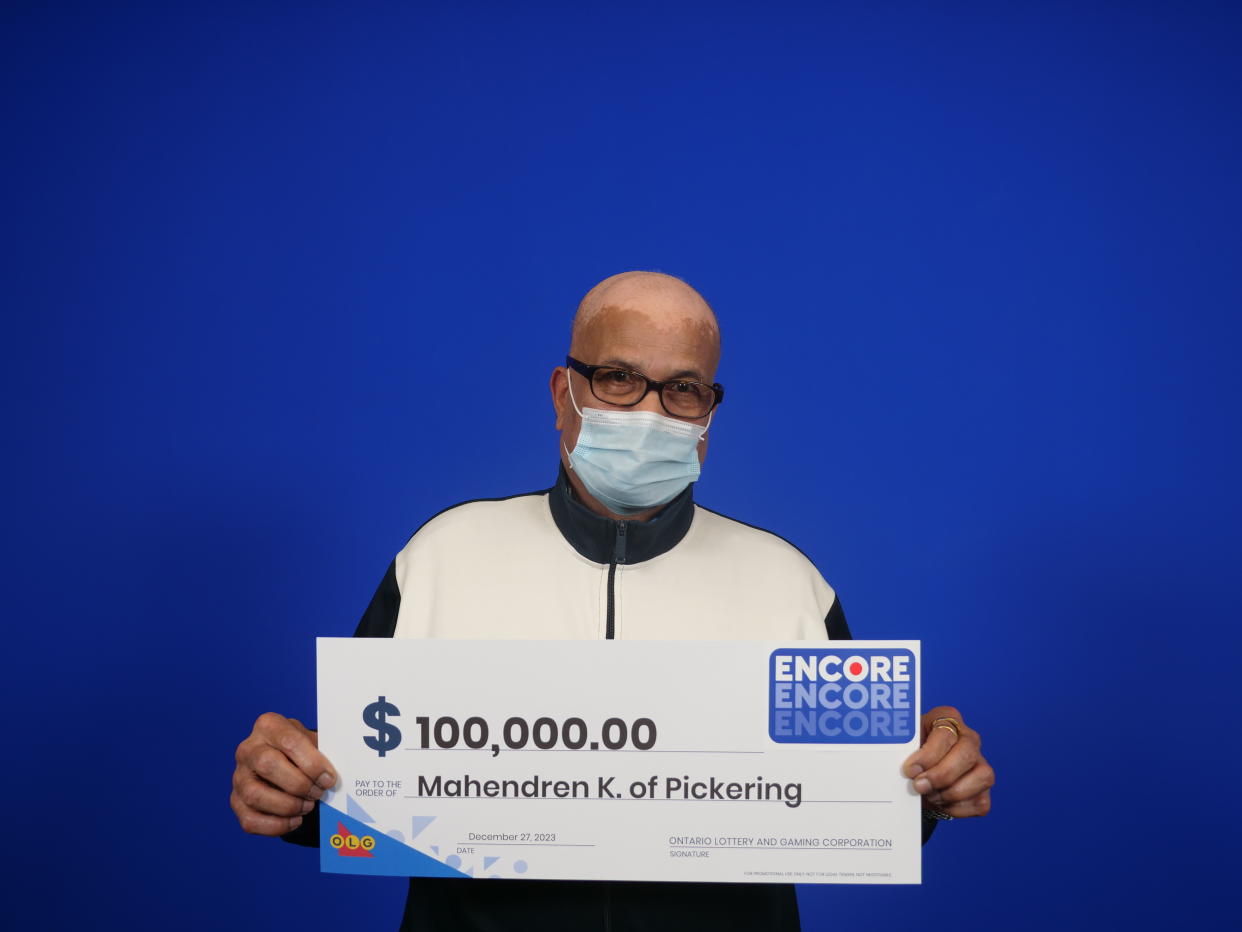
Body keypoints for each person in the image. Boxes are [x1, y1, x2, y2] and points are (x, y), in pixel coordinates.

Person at [230, 271, 995, 930]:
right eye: (618, 378)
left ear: (709, 416)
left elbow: (855, 809)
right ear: (564, 391)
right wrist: (287, 786)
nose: (650, 412)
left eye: (684, 388)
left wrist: (931, 778)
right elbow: (353, 794)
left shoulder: (787, 582)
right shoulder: (441, 559)